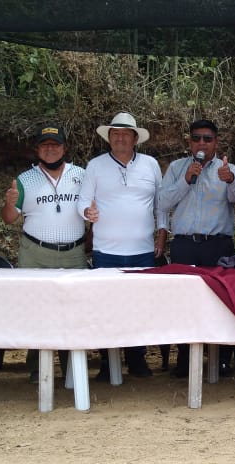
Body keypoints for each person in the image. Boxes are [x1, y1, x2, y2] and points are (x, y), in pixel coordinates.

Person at [77, 112, 169, 380]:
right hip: (106, 251)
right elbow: (82, 200)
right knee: (106, 307)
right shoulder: (95, 165)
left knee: (139, 307)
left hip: (143, 251)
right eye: (115, 134)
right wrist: (87, 212)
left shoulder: (151, 165)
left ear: (135, 138)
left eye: (125, 134)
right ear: (109, 138)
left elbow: (161, 204)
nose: (120, 138)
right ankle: (109, 361)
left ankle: (137, 358)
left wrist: (162, 234)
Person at [158, 119, 235, 378]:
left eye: (207, 139)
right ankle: (185, 358)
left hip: (217, 245)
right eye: (196, 138)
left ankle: (221, 358)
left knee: (221, 302)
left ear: (216, 142)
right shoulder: (177, 168)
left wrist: (230, 180)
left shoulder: (227, 168)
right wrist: (186, 180)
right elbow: (162, 202)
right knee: (184, 302)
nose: (201, 143)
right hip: (185, 245)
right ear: (189, 142)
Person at [2, 123, 87, 382]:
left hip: (73, 253)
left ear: (64, 147)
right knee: (37, 310)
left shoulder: (81, 175)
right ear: (37, 149)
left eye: (55, 144)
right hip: (36, 253)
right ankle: (38, 367)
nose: (50, 149)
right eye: (45, 145)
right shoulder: (24, 180)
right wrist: (8, 203)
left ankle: (72, 366)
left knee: (73, 311)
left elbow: (92, 209)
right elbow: (9, 218)